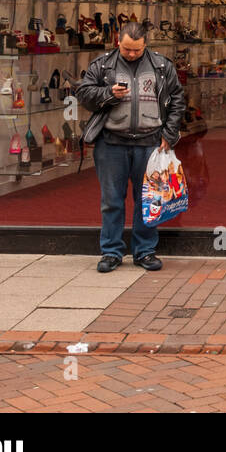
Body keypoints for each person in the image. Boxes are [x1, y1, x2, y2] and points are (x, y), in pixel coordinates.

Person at [75, 20, 185, 272]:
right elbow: (84, 94)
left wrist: (169, 134)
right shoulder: (103, 65)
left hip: (150, 143)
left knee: (148, 199)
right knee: (111, 200)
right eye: (126, 49)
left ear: (146, 44)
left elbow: (177, 99)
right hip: (111, 142)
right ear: (118, 42)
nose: (132, 54)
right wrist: (108, 93)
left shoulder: (161, 66)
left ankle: (144, 251)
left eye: (136, 49)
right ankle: (111, 252)